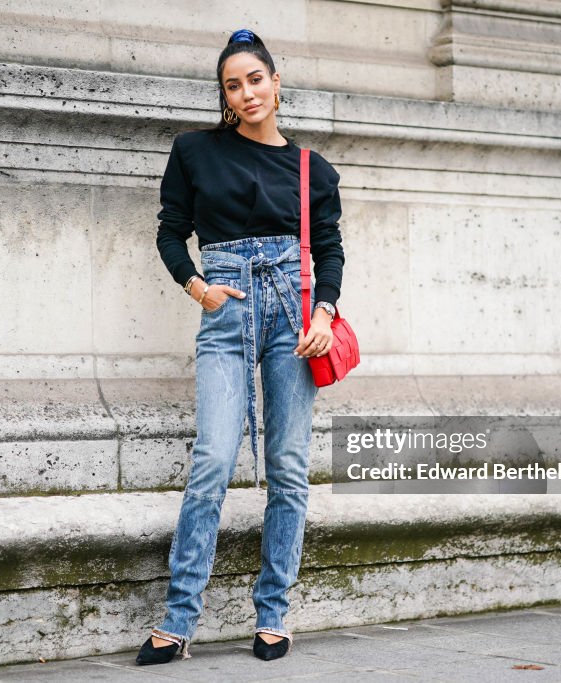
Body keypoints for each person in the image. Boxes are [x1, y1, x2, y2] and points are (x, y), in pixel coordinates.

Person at [137, 28, 345, 665]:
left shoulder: (313, 168)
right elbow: (171, 233)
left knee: (287, 466)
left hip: (292, 316)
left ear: (276, 84)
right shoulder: (195, 151)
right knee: (212, 462)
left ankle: (274, 614)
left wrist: (325, 311)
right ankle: (179, 620)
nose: (247, 92)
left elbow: (330, 251)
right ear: (225, 95)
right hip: (226, 313)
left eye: (256, 79)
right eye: (234, 84)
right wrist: (198, 288)